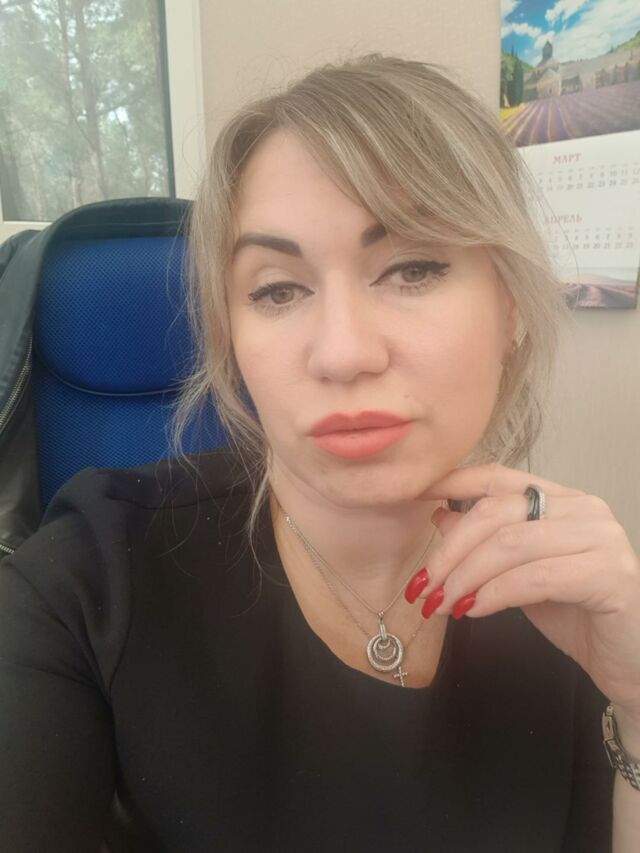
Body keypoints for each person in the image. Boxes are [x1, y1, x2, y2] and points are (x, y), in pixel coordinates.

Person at [1, 53, 639, 853]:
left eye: (411, 268)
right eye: (278, 289)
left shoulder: (571, 604)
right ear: (230, 334)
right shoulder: (87, 578)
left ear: (510, 304)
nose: (342, 353)